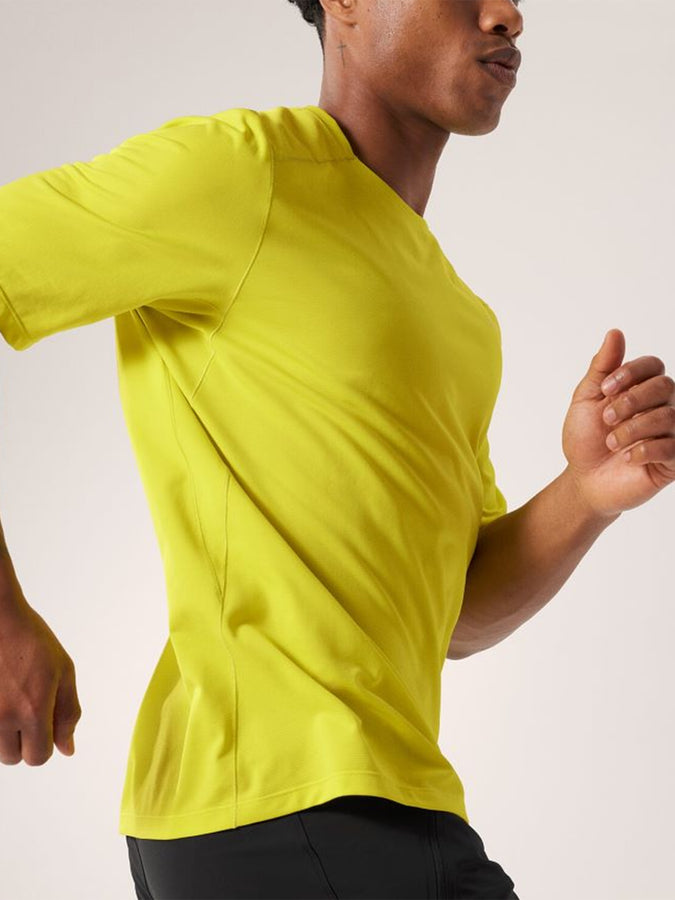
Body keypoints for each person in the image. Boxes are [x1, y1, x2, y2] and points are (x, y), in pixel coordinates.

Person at [3, 0, 673, 897]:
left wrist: (585, 493)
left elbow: (455, 614)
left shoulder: (458, 315)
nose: (507, 14)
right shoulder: (240, 174)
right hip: (276, 807)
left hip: (376, 806)